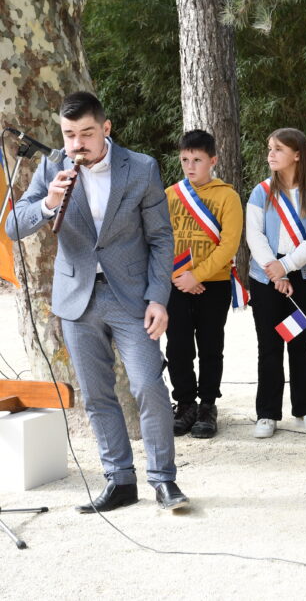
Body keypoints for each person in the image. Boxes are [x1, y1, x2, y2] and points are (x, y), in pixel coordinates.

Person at [6, 91, 187, 512]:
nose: (77, 143)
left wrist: (159, 298)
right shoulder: (51, 166)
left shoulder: (141, 167)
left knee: (148, 386)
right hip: (77, 299)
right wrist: (49, 203)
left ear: (106, 129)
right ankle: (119, 481)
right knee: (96, 395)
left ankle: (163, 480)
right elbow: (14, 225)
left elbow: (161, 238)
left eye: (86, 133)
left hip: (132, 298)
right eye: (69, 134)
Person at [245, 128, 306, 439]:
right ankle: (267, 413)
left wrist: (287, 267)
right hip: (266, 279)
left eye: (278, 149)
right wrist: (275, 271)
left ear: (297, 155)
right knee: (269, 346)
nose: (271, 154)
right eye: (270, 148)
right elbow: (254, 235)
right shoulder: (260, 192)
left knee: (299, 345)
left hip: (303, 277)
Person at [165, 129, 242, 440]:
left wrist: (198, 276)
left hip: (215, 283)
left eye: (197, 159)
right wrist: (178, 277)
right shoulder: (170, 195)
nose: (190, 166)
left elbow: (229, 244)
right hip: (175, 283)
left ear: (213, 160)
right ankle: (184, 404)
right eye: (185, 160)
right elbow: (159, 240)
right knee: (178, 346)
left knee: (211, 346)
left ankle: (208, 405)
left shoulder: (227, 196)